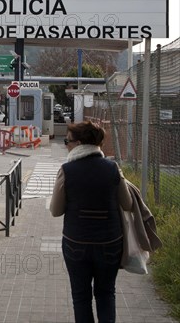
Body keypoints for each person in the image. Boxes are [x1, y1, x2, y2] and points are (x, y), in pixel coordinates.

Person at [50, 121, 132, 323]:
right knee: (106, 293)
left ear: (77, 143)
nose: (65, 144)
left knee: (81, 297)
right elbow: (128, 204)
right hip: (110, 242)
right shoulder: (112, 168)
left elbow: (55, 211)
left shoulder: (67, 170)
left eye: (66, 141)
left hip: (76, 241)